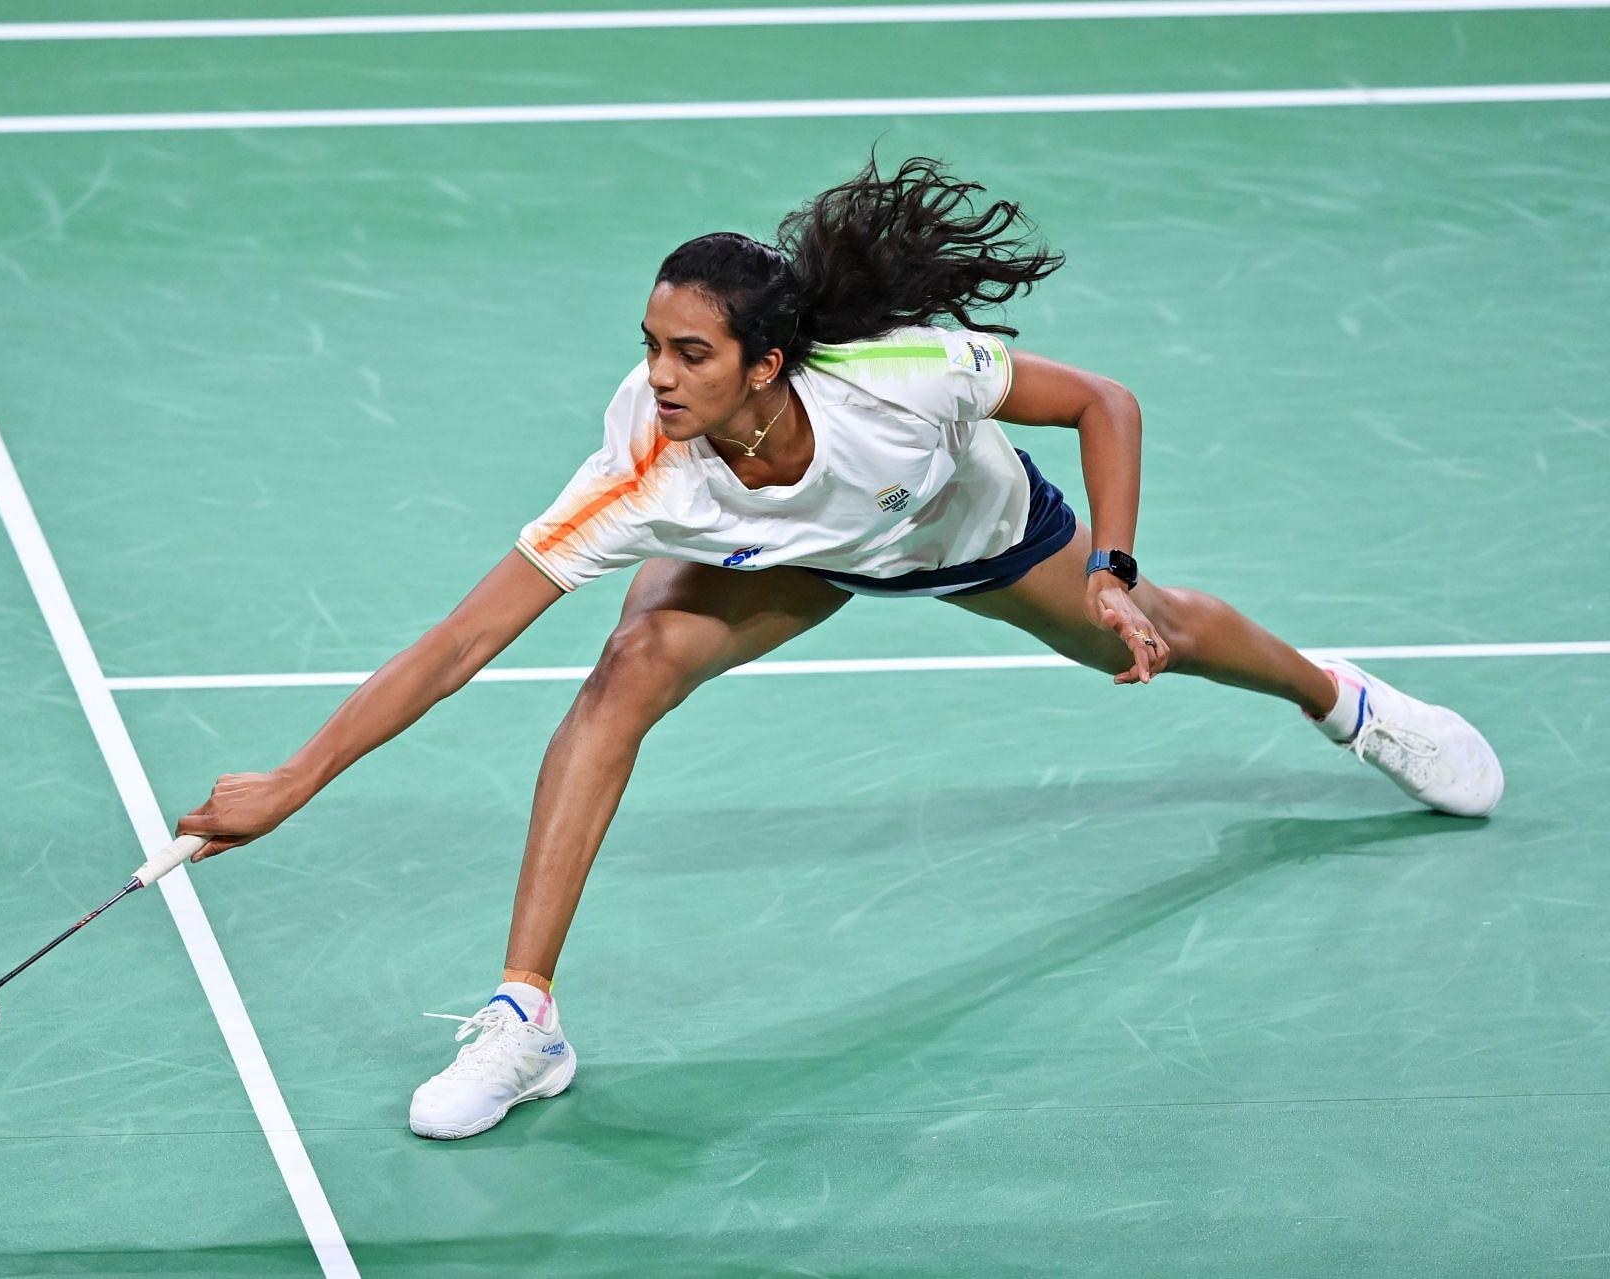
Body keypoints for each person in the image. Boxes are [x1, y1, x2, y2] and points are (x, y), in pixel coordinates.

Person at [175, 156, 1503, 1141]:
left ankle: (1348, 703)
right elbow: (466, 639)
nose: (660, 376)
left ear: (769, 364)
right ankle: (527, 1016)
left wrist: (1110, 568)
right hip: (787, 562)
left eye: (691, 353)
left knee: (1159, 642)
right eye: (648, 346)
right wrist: (299, 777)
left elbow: (1105, 399)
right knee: (625, 673)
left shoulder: (901, 375)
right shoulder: (646, 461)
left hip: (958, 529)